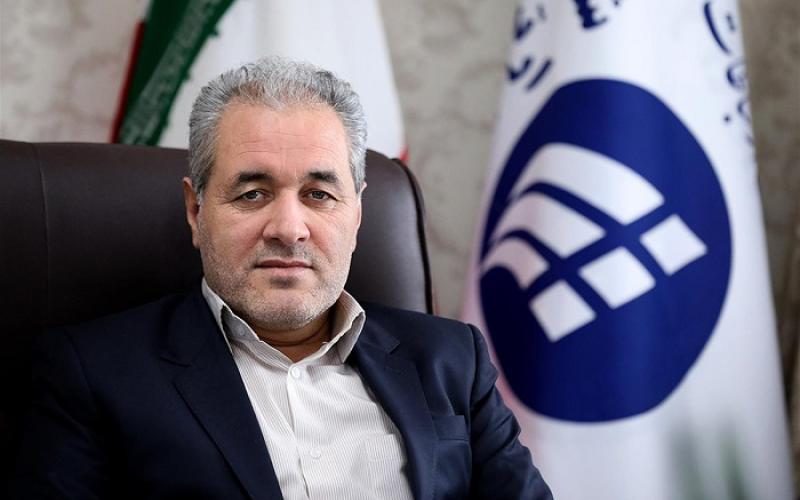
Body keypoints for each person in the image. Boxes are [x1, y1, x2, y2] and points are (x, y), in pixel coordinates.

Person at [12, 57, 552, 499]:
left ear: (357, 215)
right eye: (252, 194)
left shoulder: (452, 359)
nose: (289, 229)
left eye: (319, 194)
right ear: (196, 211)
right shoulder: (92, 373)